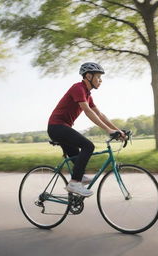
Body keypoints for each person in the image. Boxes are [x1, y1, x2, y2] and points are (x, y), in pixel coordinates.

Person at [47, 62, 125, 197]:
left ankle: (79, 178)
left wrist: (118, 130)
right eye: (98, 77)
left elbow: (100, 114)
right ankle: (74, 183)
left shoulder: (87, 94)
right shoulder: (78, 88)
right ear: (88, 76)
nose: (101, 80)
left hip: (63, 127)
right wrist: (108, 130)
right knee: (88, 146)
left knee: (78, 157)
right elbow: (88, 112)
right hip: (57, 126)